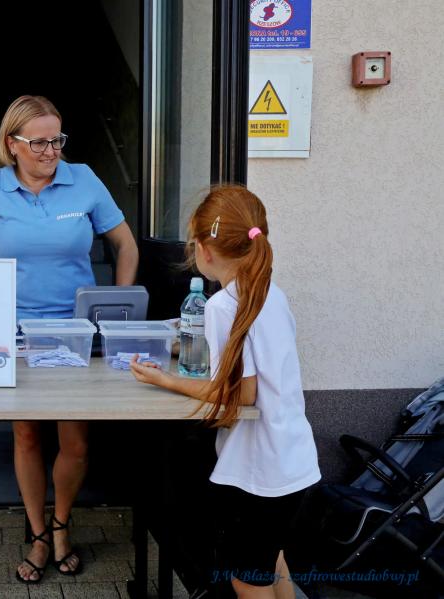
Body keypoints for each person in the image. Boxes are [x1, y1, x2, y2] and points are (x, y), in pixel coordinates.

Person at [0, 95, 139, 583]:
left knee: (75, 441)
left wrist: (118, 307)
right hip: (11, 333)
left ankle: (61, 524)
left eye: (57, 140)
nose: (51, 150)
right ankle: (38, 533)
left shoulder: (85, 180)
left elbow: (125, 244)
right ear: (12, 143)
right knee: (27, 433)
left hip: (75, 332)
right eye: (38, 142)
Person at [129, 185, 321, 599]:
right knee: (274, 563)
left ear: (203, 249)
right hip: (294, 459)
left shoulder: (222, 306)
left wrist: (163, 379)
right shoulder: (271, 293)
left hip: (259, 471)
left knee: (247, 581)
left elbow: (238, 395)